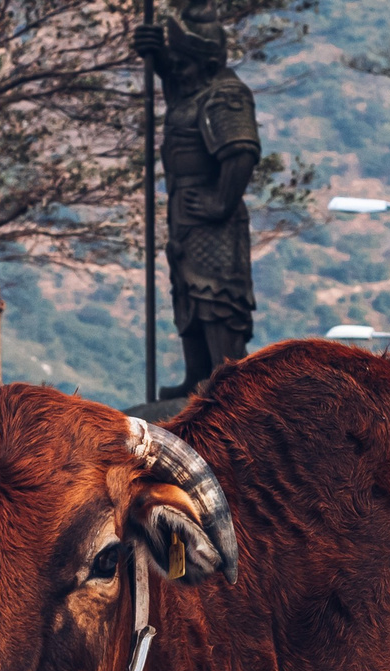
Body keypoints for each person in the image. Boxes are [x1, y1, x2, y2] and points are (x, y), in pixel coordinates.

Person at [134, 6, 261, 397]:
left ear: (205, 61)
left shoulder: (225, 94)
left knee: (216, 295)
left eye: (182, 61)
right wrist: (153, 53)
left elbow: (240, 150)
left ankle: (226, 379)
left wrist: (220, 202)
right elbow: (175, 85)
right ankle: (199, 373)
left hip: (214, 216)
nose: (177, 70)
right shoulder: (190, 89)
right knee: (187, 293)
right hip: (183, 209)